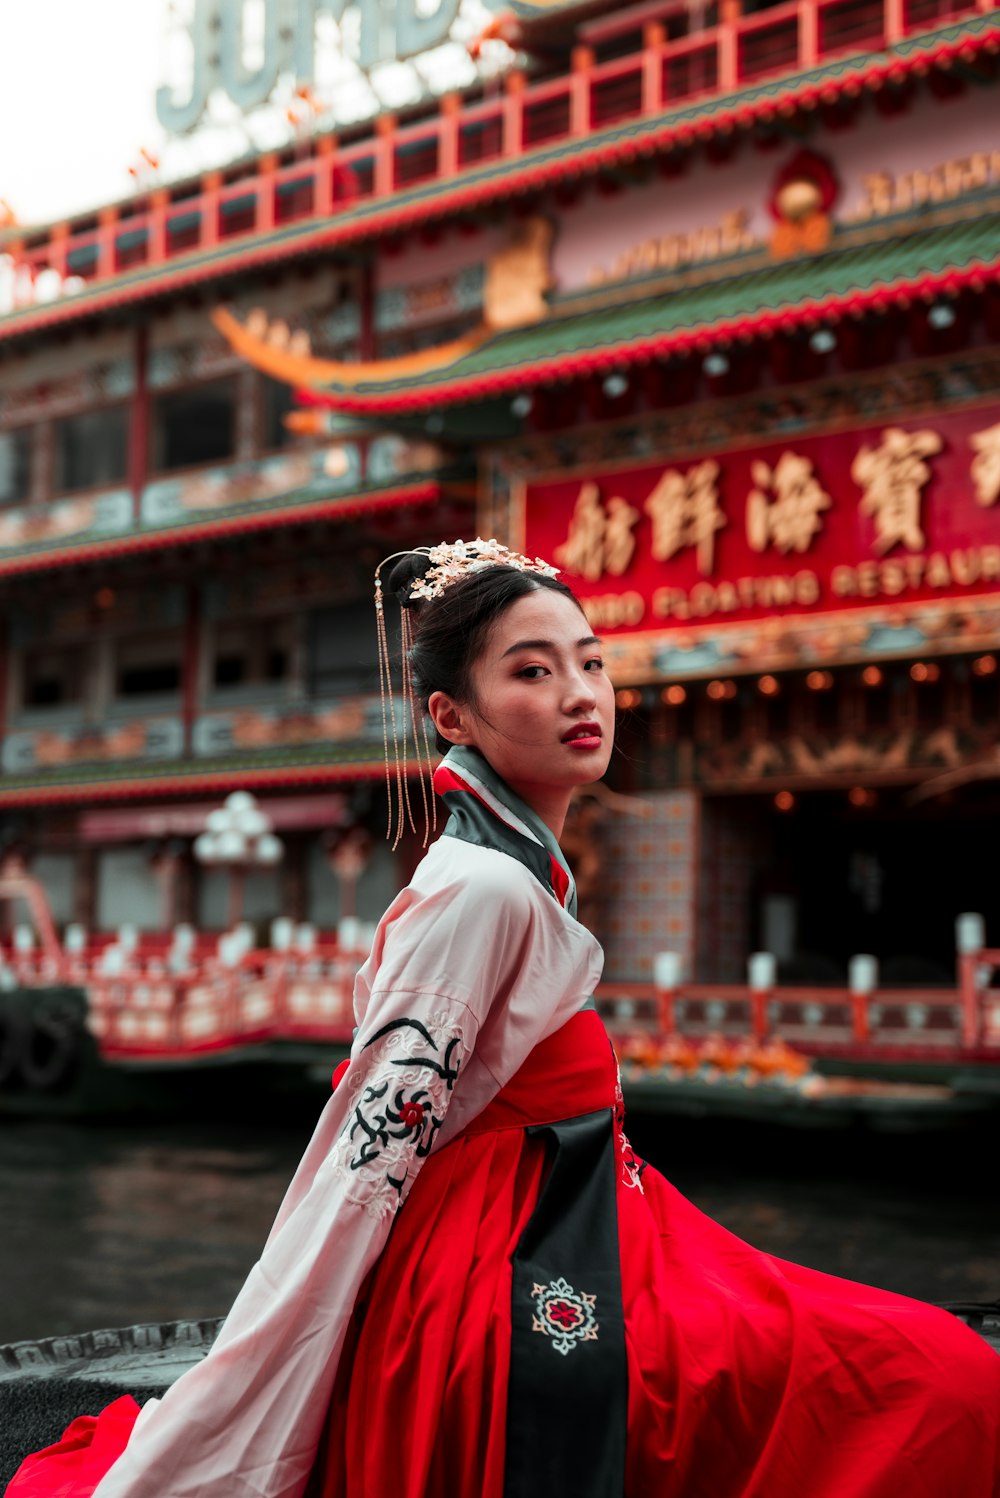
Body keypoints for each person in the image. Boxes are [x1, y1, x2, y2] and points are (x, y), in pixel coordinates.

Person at [7, 539, 1000, 1498]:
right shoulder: (481, 888)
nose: (580, 694)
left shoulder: (516, 874)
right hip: (503, 1269)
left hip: (582, 1225)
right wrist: (270, 1362)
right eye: (532, 671)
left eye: (592, 663)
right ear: (455, 715)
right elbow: (368, 1149)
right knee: (936, 1376)